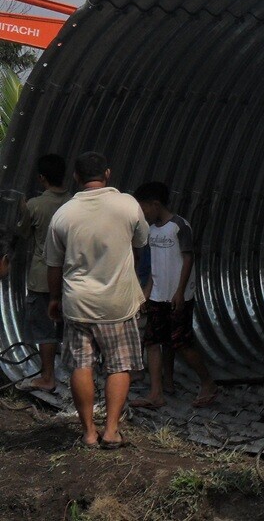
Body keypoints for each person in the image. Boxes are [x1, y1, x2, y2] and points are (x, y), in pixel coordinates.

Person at [45, 152, 148, 449]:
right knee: (118, 365)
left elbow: (54, 264)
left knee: (81, 365)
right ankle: (112, 430)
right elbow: (140, 242)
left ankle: (89, 432)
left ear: (75, 178)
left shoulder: (64, 214)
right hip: (117, 303)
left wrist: (54, 299)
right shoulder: (128, 204)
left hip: (78, 303)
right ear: (107, 173)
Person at [130, 182, 216, 409]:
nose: (143, 214)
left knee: (181, 343)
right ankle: (156, 392)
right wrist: (146, 294)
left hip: (178, 297)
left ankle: (207, 382)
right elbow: (155, 267)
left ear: (155, 204)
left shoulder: (179, 226)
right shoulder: (152, 231)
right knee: (152, 342)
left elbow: (188, 259)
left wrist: (180, 291)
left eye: (144, 208)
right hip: (158, 296)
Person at [14, 154, 71, 393]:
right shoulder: (73, 203)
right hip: (71, 276)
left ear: (41, 178)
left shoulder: (35, 205)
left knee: (44, 330)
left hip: (43, 277)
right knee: (72, 327)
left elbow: (23, 233)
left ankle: (48, 377)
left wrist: (22, 210)